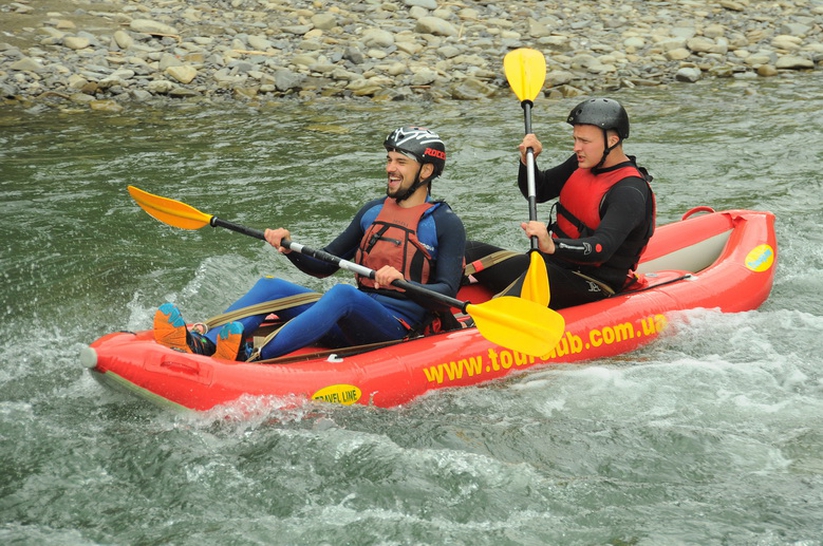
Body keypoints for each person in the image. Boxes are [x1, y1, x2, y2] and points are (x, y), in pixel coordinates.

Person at [153, 126, 466, 362]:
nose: (390, 168)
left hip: (396, 327)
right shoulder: (372, 211)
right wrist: (288, 248)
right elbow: (325, 265)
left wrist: (403, 282)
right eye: (389, 159)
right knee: (271, 286)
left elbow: (447, 295)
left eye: (401, 161)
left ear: (426, 170)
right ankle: (205, 344)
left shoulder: (444, 223)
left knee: (343, 294)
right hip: (352, 319)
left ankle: (256, 356)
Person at [465, 97, 655, 309]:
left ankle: (468, 329)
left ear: (612, 141)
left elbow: (601, 247)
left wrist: (551, 244)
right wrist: (527, 160)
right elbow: (537, 190)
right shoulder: (581, 163)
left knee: (522, 289)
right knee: (466, 250)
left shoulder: (628, 190)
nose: (576, 147)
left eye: (584, 141)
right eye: (575, 139)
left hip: (593, 283)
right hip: (552, 266)